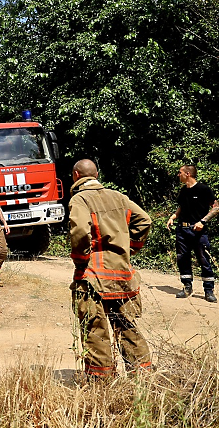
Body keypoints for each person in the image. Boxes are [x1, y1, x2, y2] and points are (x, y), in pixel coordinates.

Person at [69, 159, 152, 378]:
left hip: (93, 277)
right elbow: (144, 220)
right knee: (126, 325)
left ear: (76, 175)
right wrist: (128, 248)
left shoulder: (80, 199)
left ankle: (102, 382)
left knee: (95, 329)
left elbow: (79, 232)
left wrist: (80, 260)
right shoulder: (119, 197)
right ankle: (142, 378)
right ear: (96, 174)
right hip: (121, 274)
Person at [165, 165, 219, 302]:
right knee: (182, 259)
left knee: (204, 260)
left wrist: (203, 221)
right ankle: (187, 287)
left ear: (187, 174)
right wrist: (173, 217)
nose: (178, 175)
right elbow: (181, 207)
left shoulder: (203, 189)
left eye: (180, 173)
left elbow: (216, 208)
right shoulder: (183, 191)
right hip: (182, 231)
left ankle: (208, 290)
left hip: (198, 231)